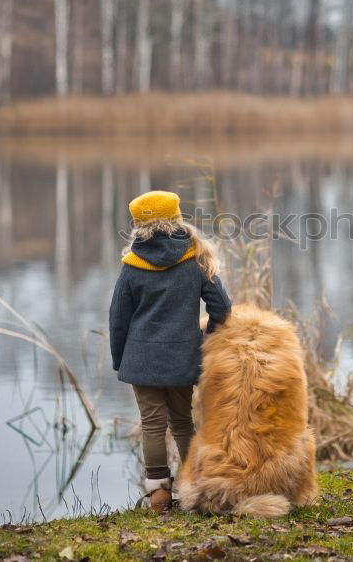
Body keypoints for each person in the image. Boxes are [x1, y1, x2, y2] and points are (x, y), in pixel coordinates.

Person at [109, 190, 231, 513]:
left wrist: (120, 359)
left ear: (139, 225)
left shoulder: (132, 266)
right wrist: (208, 338)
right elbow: (222, 306)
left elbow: (118, 320)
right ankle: (197, 487)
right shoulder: (194, 258)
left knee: (152, 424)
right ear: (176, 218)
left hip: (141, 360)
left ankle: (159, 497)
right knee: (181, 422)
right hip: (183, 358)